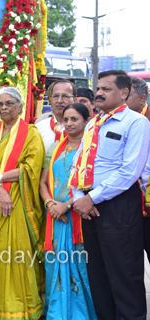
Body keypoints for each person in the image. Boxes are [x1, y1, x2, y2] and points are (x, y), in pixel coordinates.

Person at [71, 70, 150, 319]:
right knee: (99, 274)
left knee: (125, 275)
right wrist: (77, 198)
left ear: (124, 93)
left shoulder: (136, 122)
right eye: (99, 88)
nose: (99, 93)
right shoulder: (94, 122)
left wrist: (92, 198)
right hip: (89, 206)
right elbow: (78, 163)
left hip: (118, 205)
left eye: (106, 89)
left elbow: (130, 171)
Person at [0, 86, 45, 320]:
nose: (4, 108)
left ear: (20, 106)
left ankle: (24, 308)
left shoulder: (31, 133)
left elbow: (30, 169)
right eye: (0, 104)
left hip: (20, 203)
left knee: (20, 254)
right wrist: (0, 190)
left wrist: (0, 179)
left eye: (9, 103)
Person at [39, 103, 96, 320]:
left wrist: (67, 205)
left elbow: (92, 184)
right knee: (54, 264)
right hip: (54, 216)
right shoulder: (54, 148)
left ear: (86, 121)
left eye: (75, 119)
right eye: (66, 119)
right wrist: (50, 205)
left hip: (79, 217)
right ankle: (57, 313)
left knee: (82, 266)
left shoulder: (92, 148)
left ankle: (83, 314)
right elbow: (43, 183)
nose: (69, 123)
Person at [35, 80, 77, 151]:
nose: (59, 101)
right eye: (56, 96)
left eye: (65, 96)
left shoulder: (82, 128)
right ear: (50, 99)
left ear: (75, 100)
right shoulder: (39, 127)